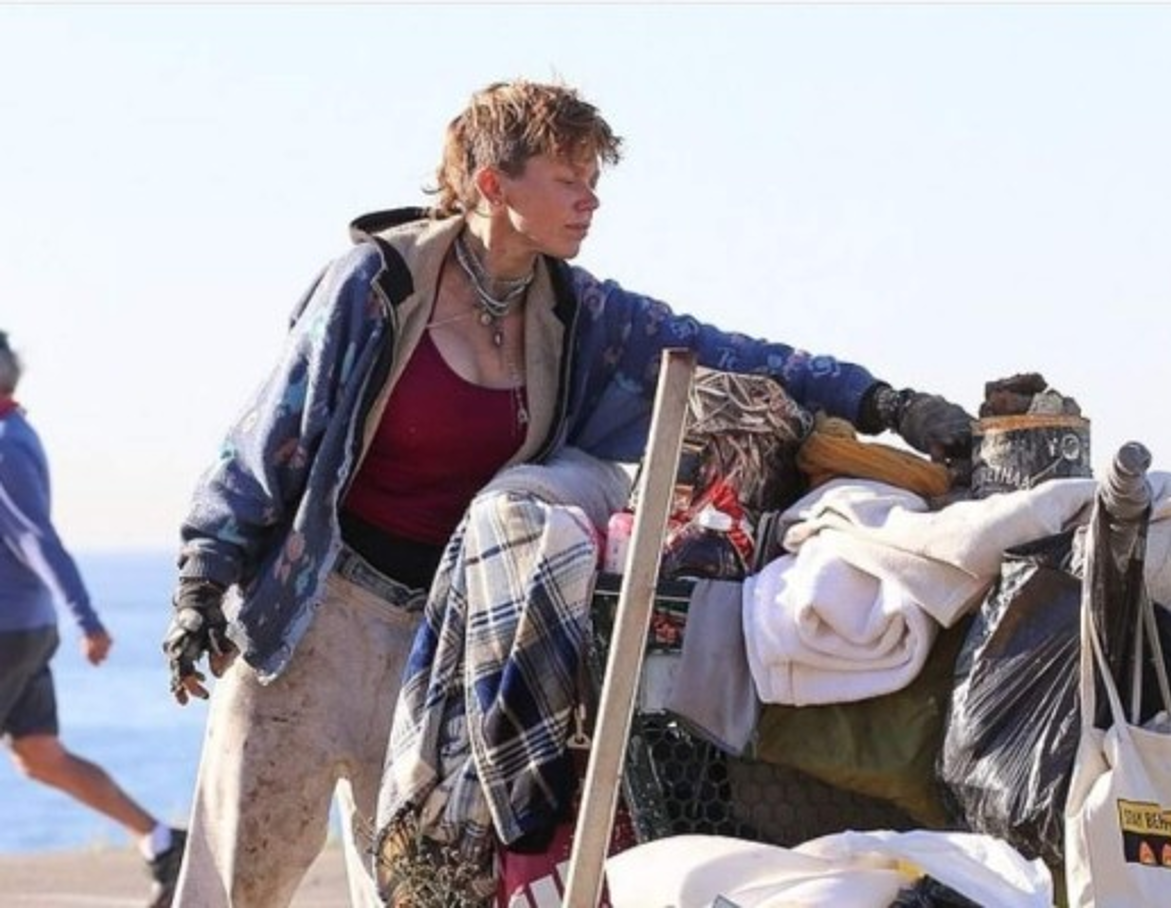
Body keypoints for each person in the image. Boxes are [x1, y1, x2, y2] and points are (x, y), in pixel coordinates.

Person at [162, 78, 974, 907]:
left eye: (594, 180)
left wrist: (886, 404)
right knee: (232, 883)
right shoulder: (379, 287)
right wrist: (201, 582)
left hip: (432, 641)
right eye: (568, 179)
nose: (590, 201)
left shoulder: (577, 315)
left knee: (415, 888)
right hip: (316, 623)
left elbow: (728, 352)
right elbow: (275, 430)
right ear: (492, 183)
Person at [0, 331, 187, 908]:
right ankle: (162, 843)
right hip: (27, 627)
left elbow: (37, 540)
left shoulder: (5, 445)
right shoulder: (16, 431)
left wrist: (88, 619)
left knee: (38, 754)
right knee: (39, 754)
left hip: (8, 630)